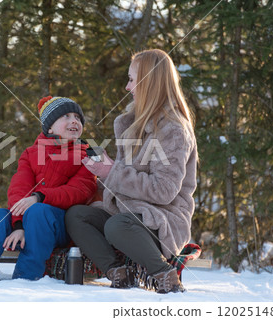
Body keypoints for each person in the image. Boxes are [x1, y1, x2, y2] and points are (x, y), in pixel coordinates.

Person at [65, 49, 198, 294]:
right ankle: (117, 272)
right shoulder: (132, 125)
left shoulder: (174, 130)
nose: (128, 87)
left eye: (131, 79)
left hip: (162, 219)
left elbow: (164, 191)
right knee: (77, 215)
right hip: (127, 212)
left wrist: (112, 171)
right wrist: (99, 172)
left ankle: (164, 275)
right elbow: (125, 175)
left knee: (117, 226)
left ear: (149, 83)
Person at [0, 96, 97, 282]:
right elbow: (19, 188)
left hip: (60, 226)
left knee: (39, 211)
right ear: (49, 127)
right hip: (26, 221)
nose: (74, 120)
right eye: (66, 116)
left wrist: (39, 197)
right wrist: (18, 225)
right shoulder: (31, 154)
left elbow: (78, 192)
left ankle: (26, 276)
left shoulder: (87, 155)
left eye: (77, 117)